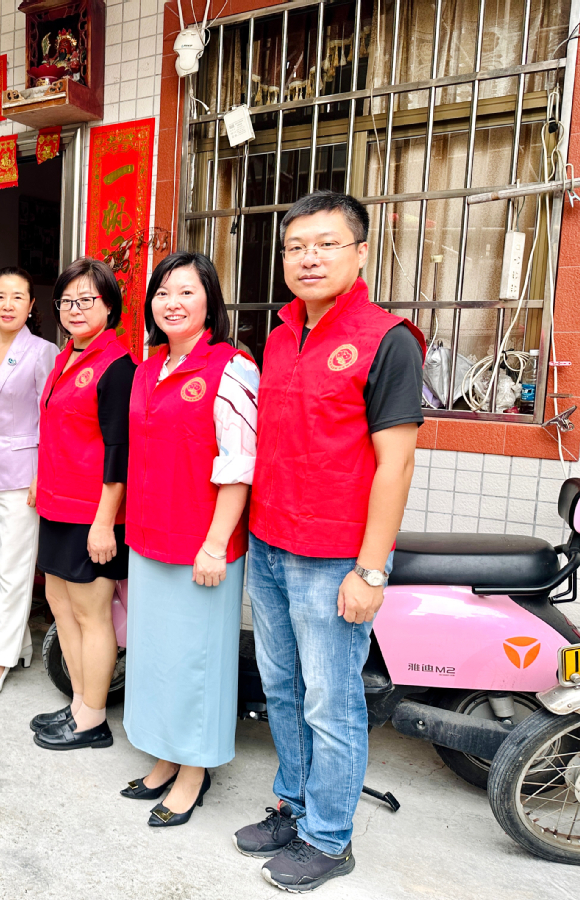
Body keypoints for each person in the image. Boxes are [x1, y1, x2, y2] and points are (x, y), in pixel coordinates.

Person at [235, 191, 424, 892]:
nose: (308, 258)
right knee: (281, 690)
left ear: (361, 252)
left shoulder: (388, 339)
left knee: (330, 700)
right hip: (271, 546)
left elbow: (396, 463)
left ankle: (328, 837)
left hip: (335, 559)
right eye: (296, 247)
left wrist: (370, 572)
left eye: (326, 243)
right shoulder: (281, 335)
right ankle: (293, 803)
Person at [121, 252, 258, 827]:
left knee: (198, 661)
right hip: (149, 536)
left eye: (186, 292)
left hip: (202, 543)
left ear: (210, 302)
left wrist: (214, 543)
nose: (171, 303)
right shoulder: (147, 368)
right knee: (156, 656)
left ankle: (194, 770)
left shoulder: (232, 368)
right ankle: (163, 755)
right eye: (162, 293)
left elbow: (241, 462)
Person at [30, 257, 135, 750]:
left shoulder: (117, 367)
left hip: (92, 514)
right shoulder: (65, 358)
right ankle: (79, 703)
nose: (74, 309)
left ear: (109, 306)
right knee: (58, 604)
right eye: (66, 301)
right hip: (55, 505)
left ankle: (93, 719)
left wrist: (104, 524)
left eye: (86, 299)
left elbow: (120, 451)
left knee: (92, 614)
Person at [0, 266, 57, 700]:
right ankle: (17, 643)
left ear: (31, 305)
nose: (7, 304)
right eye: (0, 295)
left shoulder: (43, 352)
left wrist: (43, 475)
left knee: (16, 569)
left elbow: (52, 420)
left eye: (17, 296)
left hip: (23, 471)